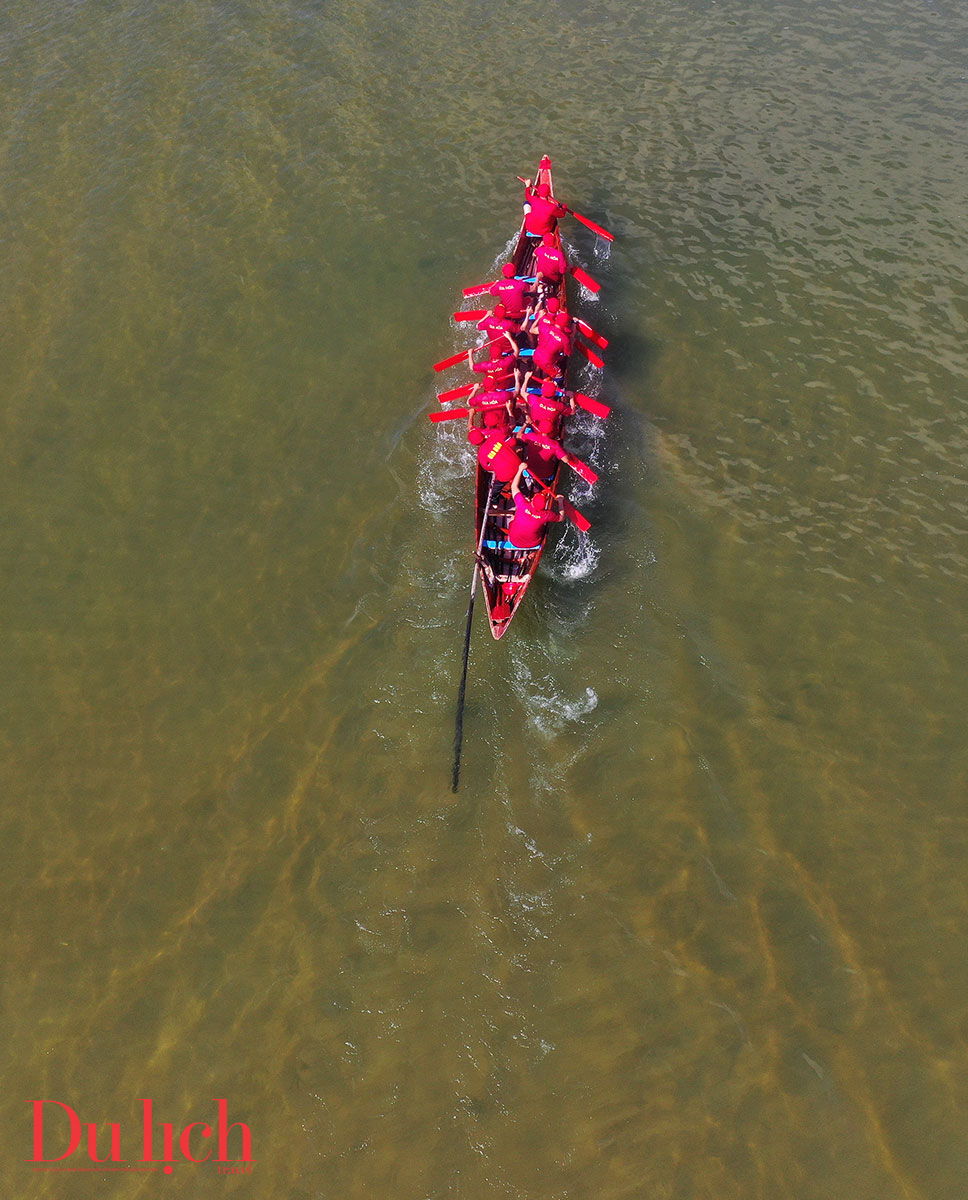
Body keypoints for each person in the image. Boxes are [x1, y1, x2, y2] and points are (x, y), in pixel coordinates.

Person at [506, 463, 565, 549]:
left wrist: (520, 470)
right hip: (534, 543)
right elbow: (561, 517)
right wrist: (560, 502)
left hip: (513, 541)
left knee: (512, 516)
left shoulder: (522, 504)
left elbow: (514, 486)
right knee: (542, 525)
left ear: (532, 501)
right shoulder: (546, 514)